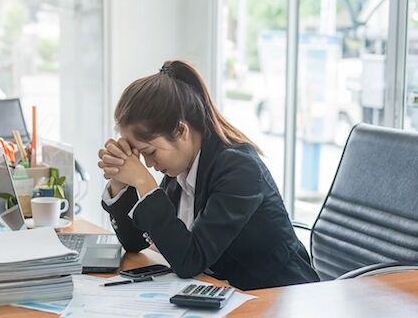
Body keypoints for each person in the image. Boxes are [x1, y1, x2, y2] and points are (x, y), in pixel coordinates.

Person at [98, 60, 319, 290]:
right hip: (227, 292)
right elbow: (135, 243)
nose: (149, 165)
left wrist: (143, 182)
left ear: (181, 131)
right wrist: (119, 181)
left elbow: (190, 260)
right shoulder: (181, 170)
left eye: (150, 152)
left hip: (280, 295)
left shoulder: (238, 169)